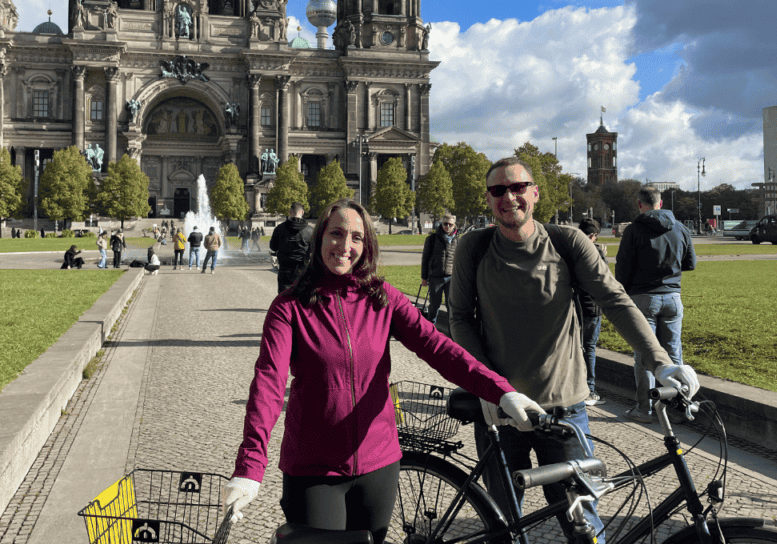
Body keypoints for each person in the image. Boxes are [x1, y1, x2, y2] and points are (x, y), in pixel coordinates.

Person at [222, 199, 543, 544]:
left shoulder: (381, 296)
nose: (345, 247)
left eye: (356, 237)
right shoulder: (289, 307)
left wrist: (500, 390)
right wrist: (249, 468)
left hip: (379, 464)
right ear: (319, 240)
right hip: (315, 470)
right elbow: (268, 387)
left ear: (367, 245)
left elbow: (439, 348)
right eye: (336, 234)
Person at [450, 158, 700, 543]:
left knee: (584, 527)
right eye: (499, 190)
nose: (509, 196)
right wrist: (489, 386)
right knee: (503, 528)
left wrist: (662, 363)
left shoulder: (567, 242)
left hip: (564, 412)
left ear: (535, 193)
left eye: (518, 187)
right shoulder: (474, 247)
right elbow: (461, 319)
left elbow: (615, 300)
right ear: (488, 199)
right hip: (500, 413)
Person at [615, 186, 698, 423]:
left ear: (640, 204)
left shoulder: (634, 230)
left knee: (645, 354)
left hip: (643, 298)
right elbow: (690, 263)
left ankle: (644, 409)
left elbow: (623, 267)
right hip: (673, 296)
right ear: (660, 203)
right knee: (673, 353)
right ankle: (679, 407)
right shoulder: (680, 228)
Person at [576, 218, 609, 406]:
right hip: (591, 307)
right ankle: (590, 389)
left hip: (574, 306)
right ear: (593, 236)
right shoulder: (594, 251)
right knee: (589, 348)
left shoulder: (570, 249)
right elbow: (604, 279)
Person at [419, 214, 458, 328]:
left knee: (450, 305)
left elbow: (460, 261)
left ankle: (452, 330)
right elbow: (425, 259)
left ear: (454, 225)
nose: (447, 226)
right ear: (441, 224)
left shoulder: (458, 240)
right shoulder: (432, 239)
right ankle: (430, 329)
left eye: (450, 224)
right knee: (434, 305)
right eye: (445, 224)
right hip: (435, 277)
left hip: (451, 278)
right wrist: (424, 277)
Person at [270, 203, 314, 293]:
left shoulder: (280, 228)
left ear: (290, 212)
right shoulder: (310, 230)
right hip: (302, 266)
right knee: (302, 293)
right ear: (302, 212)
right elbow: (314, 249)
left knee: (283, 294)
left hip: (285, 267)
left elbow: (273, 247)